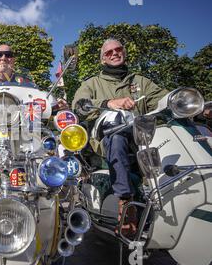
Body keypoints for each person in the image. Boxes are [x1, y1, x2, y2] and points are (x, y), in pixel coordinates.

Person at [72, 38, 168, 236]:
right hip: (105, 141)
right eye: (109, 52)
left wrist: (190, 105)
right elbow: (79, 106)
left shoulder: (140, 81)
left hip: (143, 138)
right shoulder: (92, 83)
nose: (114, 53)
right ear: (102, 60)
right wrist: (109, 103)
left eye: (118, 50)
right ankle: (126, 204)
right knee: (117, 138)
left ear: (123, 52)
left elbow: (164, 99)